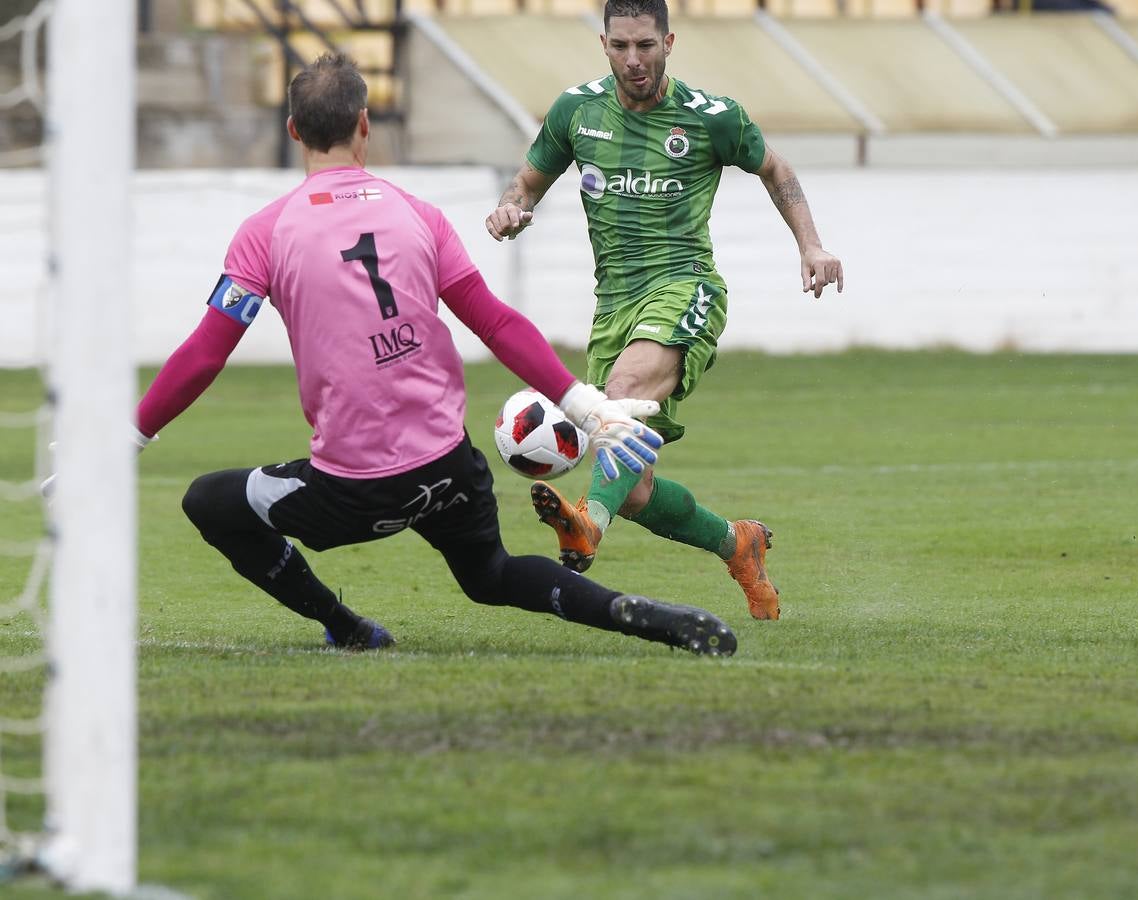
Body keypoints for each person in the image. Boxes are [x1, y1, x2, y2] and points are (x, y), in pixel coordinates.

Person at [113, 53, 736, 657]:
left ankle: (347, 626)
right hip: (448, 467)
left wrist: (128, 439)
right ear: (365, 125)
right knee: (490, 574)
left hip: (350, 491)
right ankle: (636, 613)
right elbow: (495, 322)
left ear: (293, 131)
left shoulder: (264, 232)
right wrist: (587, 405)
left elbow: (204, 354)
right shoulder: (420, 215)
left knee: (208, 500)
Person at [485, 0, 843, 621]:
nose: (634, 60)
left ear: (669, 41)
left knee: (620, 394)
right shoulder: (577, 111)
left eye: (645, 45)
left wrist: (810, 243)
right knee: (636, 491)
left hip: (684, 289)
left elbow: (775, 167)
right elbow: (526, 183)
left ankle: (587, 526)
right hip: (613, 309)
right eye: (620, 46)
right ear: (603, 45)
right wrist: (509, 209)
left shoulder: (711, 118)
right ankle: (739, 544)